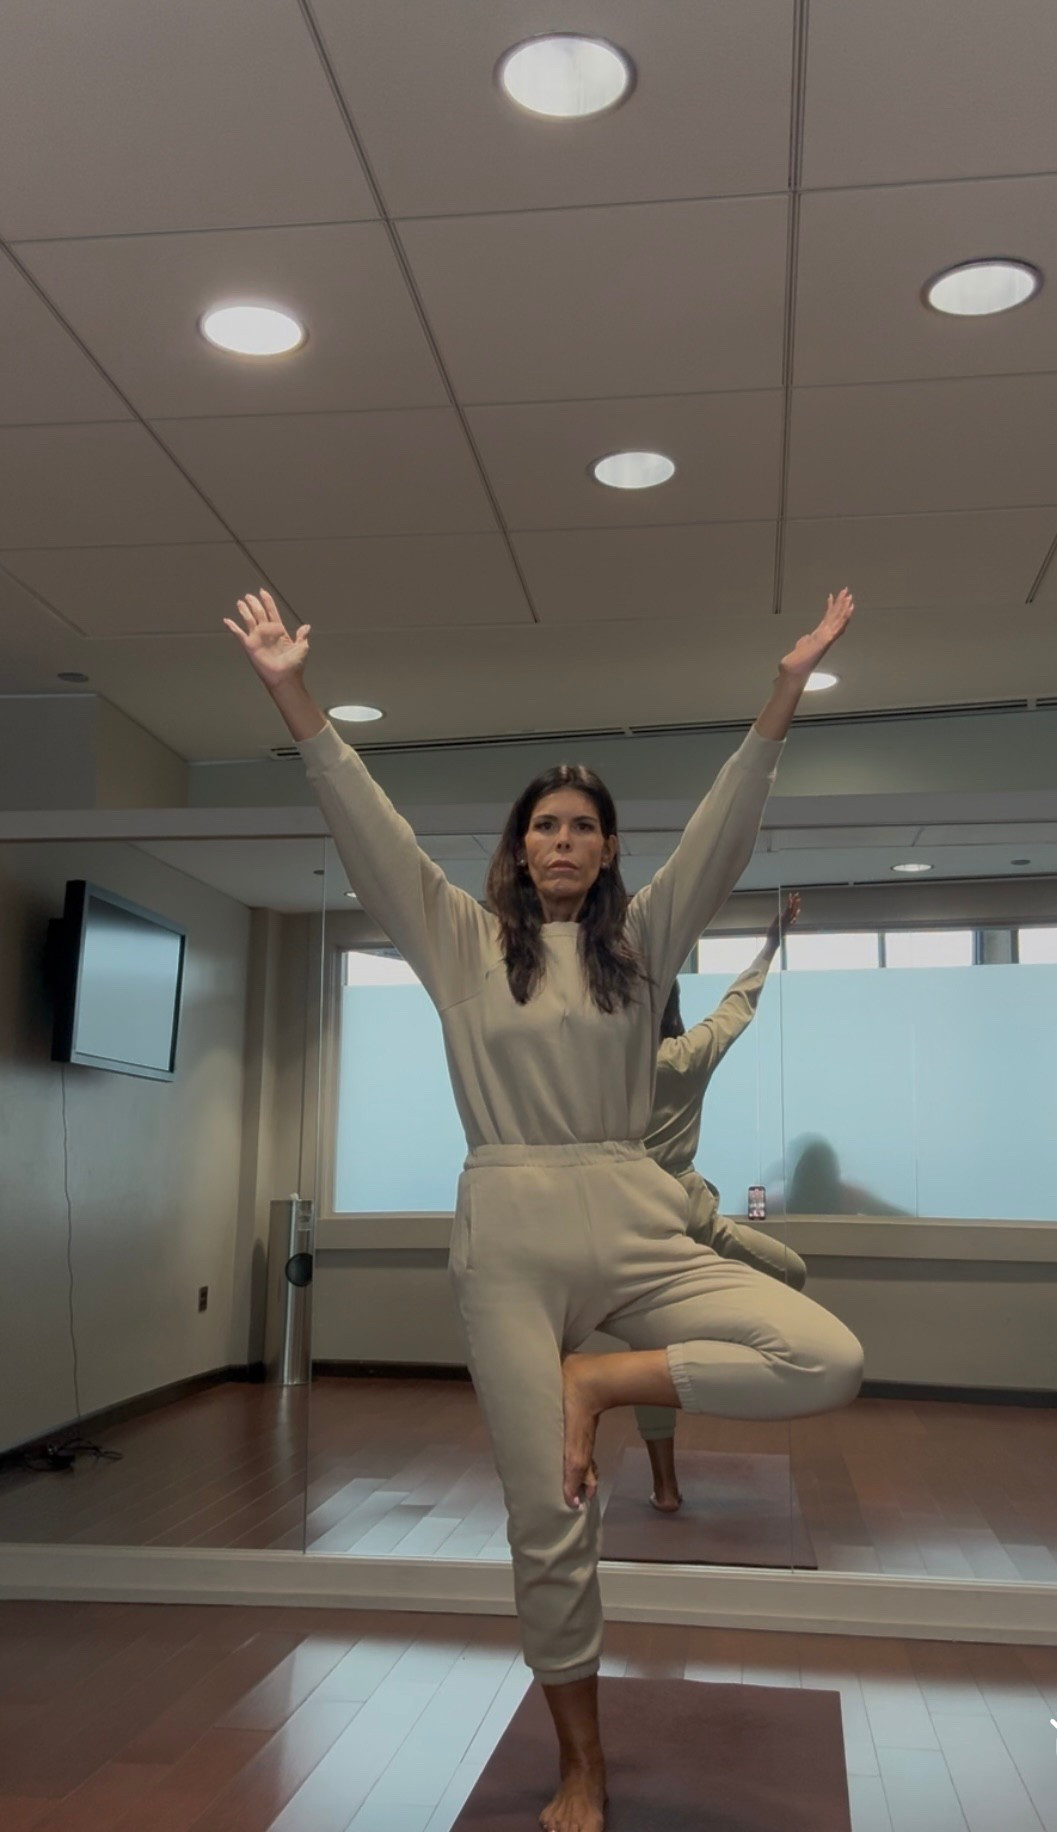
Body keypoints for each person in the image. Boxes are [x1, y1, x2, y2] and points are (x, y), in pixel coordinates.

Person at [225, 587, 863, 1832]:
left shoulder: (644, 943)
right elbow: (369, 827)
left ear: (609, 849)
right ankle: (582, 1760)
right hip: (509, 1231)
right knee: (546, 1515)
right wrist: (292, 696)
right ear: (518, 850)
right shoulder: (460, 943)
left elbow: (727, 832)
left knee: (824, 1353)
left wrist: (781, 697)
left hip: (633, 1209)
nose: (562, 842)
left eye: (583, 827)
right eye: (543, 828)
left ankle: (602, 1383)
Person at [634, 892, 808, 1514]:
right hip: (687, 1217)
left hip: (627, 1224)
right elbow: (740, 1004)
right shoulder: (686, 1056)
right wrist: (768, 944)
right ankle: (710, 1351)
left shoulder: (605, 1069)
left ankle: (665, 1483)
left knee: (647, 1354)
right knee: (792, 1273)